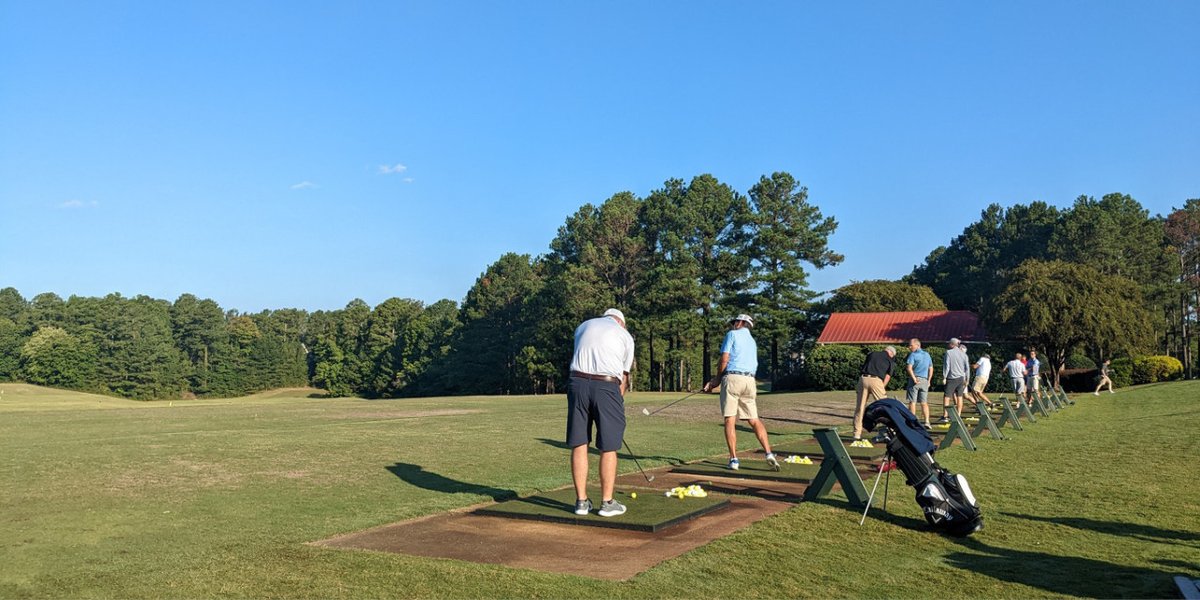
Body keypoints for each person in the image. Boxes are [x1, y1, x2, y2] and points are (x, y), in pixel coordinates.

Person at [567, 308, 635, 518]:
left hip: (576, 382)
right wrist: (617, 403)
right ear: (620, 322)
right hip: (606, 385)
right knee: (609, 445)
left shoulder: (583, 326)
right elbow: (624, 376)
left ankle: (581, 502)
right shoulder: (624, 335)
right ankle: (607, 503)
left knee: (579, 442)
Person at [703, 314, 780, 471]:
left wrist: (716, 380)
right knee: (754, 419)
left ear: (743, 323)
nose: (734, 324)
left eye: (736, 321)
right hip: (749, 381)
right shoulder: (752, 342)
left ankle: (734, 459)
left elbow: (724, 358)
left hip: (733, 378)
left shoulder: (732, 334)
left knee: (730, 419)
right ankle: (769, 453)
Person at [853, 345, 896, 439]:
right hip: (876, 380)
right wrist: (882, 387)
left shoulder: (872, 354)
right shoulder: (890, 360)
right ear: (891, 354)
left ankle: (857, 434)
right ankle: (891, 431)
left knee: (860, 408)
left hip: (863, 379)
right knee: (885, 407)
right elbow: (888, 376)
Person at [939, 338, 970, 423]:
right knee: (960, 397)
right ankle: (958, 415)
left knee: (947, 397)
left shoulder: (948, 353)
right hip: (961, 378)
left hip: (951, 378)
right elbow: (967, 368)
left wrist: (944, 377)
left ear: (952, 344)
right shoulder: (964, 354)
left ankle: (945, 416)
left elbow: (947, 366)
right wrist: (967, 379)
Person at [905, 338, 933, 428]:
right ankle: (927, 422)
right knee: (924, 402)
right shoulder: (927, 354)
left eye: (911, 345)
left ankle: (913, 422)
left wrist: (914, 379)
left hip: (915, 380)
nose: (909, 347)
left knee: (912, 402)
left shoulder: (913, 355)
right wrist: (929, 380)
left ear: (917, 345)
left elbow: (909, 368)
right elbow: (931, 368)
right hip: (924, 380)